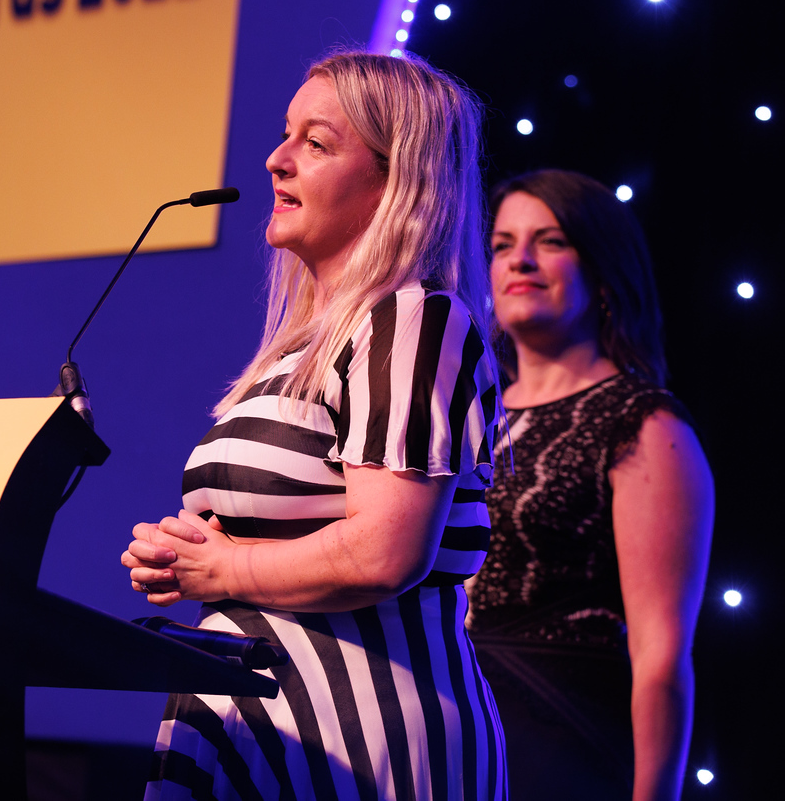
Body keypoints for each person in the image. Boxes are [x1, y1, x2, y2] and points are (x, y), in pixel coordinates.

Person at [122, 51, 509, 801]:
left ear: (396, 181)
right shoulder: (298, 350)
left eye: (317, 143)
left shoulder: (413, 319)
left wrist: (224, 569)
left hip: (359, 739)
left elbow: (385, 552)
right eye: (285, 134)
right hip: (250, 727)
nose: (277, 159)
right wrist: (185, 553)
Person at [465, 169, 714, 801]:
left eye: (550, 241)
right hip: (451, 735)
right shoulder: (467, 419)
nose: (520, 260)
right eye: (502, 245)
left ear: (603, 272)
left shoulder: (643, 424)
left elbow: (660, 655)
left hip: (558, 742)